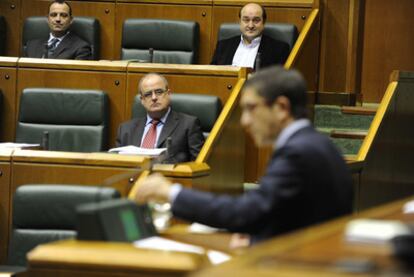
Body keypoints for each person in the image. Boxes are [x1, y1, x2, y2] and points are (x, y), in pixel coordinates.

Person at [134, 66, 353, 244]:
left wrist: (171, 192)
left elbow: (247, 212)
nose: (245, 121)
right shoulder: (318, 144)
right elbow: (289, 215)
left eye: (251, 108)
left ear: (281, 107)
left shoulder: (297, 153)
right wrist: (257, 237)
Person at [115, 73, 205, 163]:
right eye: (148, 94)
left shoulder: (188, 125)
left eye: (159, 92)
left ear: (168, 94)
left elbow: (199, 165)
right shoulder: (125, 130)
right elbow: (116, 164)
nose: (154, 98)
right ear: (142, 100)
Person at [210, 3, 290, 70]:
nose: (251, 25)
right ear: (240, 21)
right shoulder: (223, 46)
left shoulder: (279, 49)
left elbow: (280, 81)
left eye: (256, 20)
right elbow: (212, 74)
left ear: (264, 22)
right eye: (246, 20)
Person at [25, 0, 92, 60]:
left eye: (63, 15)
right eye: (53, 15)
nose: (58, 19)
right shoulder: (31, 46)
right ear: (48, 19)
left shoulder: (81, 47)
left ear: (71, 20)